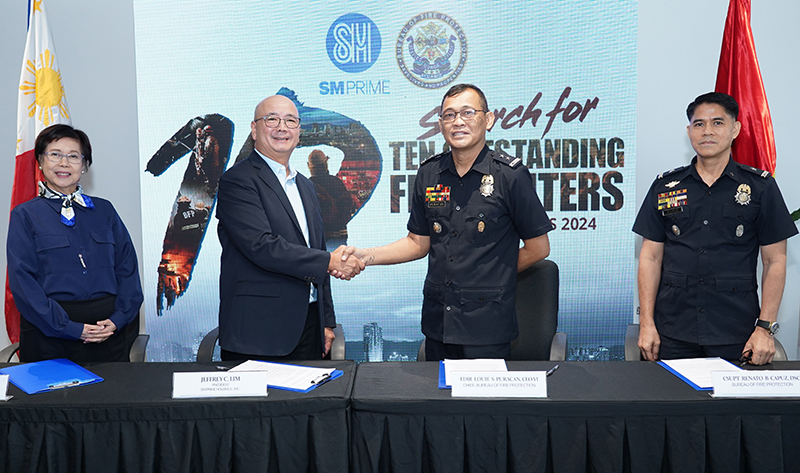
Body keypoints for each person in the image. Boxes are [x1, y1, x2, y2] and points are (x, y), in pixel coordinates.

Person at [338, 84, 552, 361]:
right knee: (436, 402)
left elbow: (539, 248)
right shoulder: (429, 174)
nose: (458, 121)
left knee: (479, 404)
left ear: (487, 119)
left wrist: (493, 277)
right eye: (449, 115)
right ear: (440, 124)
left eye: (467, 112)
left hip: (486, 326)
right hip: (438, 323)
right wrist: (365, 256)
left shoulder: (510, 176)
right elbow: (417, 243)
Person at [633, 92, 798, 365]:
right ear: (688, 131)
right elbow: (650, 257)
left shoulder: (760, 187)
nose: (707, 131)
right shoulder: (666, 187)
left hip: (737, 332)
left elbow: (775, 261)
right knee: (670, 406)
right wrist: (646, 323)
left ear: (735, 129)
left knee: (734, 409)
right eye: (698, 124)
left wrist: (764, 329)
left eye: (718, 123)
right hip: (672, 332)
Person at [216, 95, 364, 361]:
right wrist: (330, 260)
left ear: (299, 132)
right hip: (258, 332)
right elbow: (261, 246)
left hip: (308, 326)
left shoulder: (306, 186)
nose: (281, 127)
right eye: (271, 119)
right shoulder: (237, 181)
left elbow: (316, 250)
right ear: (254, 129)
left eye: (290, 121)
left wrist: (326, 320)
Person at [7, 124, 143, 362]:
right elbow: (23, 283)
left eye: (73, 156)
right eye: (55, 154)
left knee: (112, 398)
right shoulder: (25, 214)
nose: (64, 163)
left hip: (106, 332)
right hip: (50, 335)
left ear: (84, 164)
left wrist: (117, 320)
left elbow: (127, 271)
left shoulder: (104, 210)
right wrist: (70, 328)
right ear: (40, 161)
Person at [308, 149, 356, 249]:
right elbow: (348, 209)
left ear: (309, 166)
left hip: (318, 240)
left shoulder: (307, 186)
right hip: (339, 238)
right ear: (325, 164)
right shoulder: (337, 183)